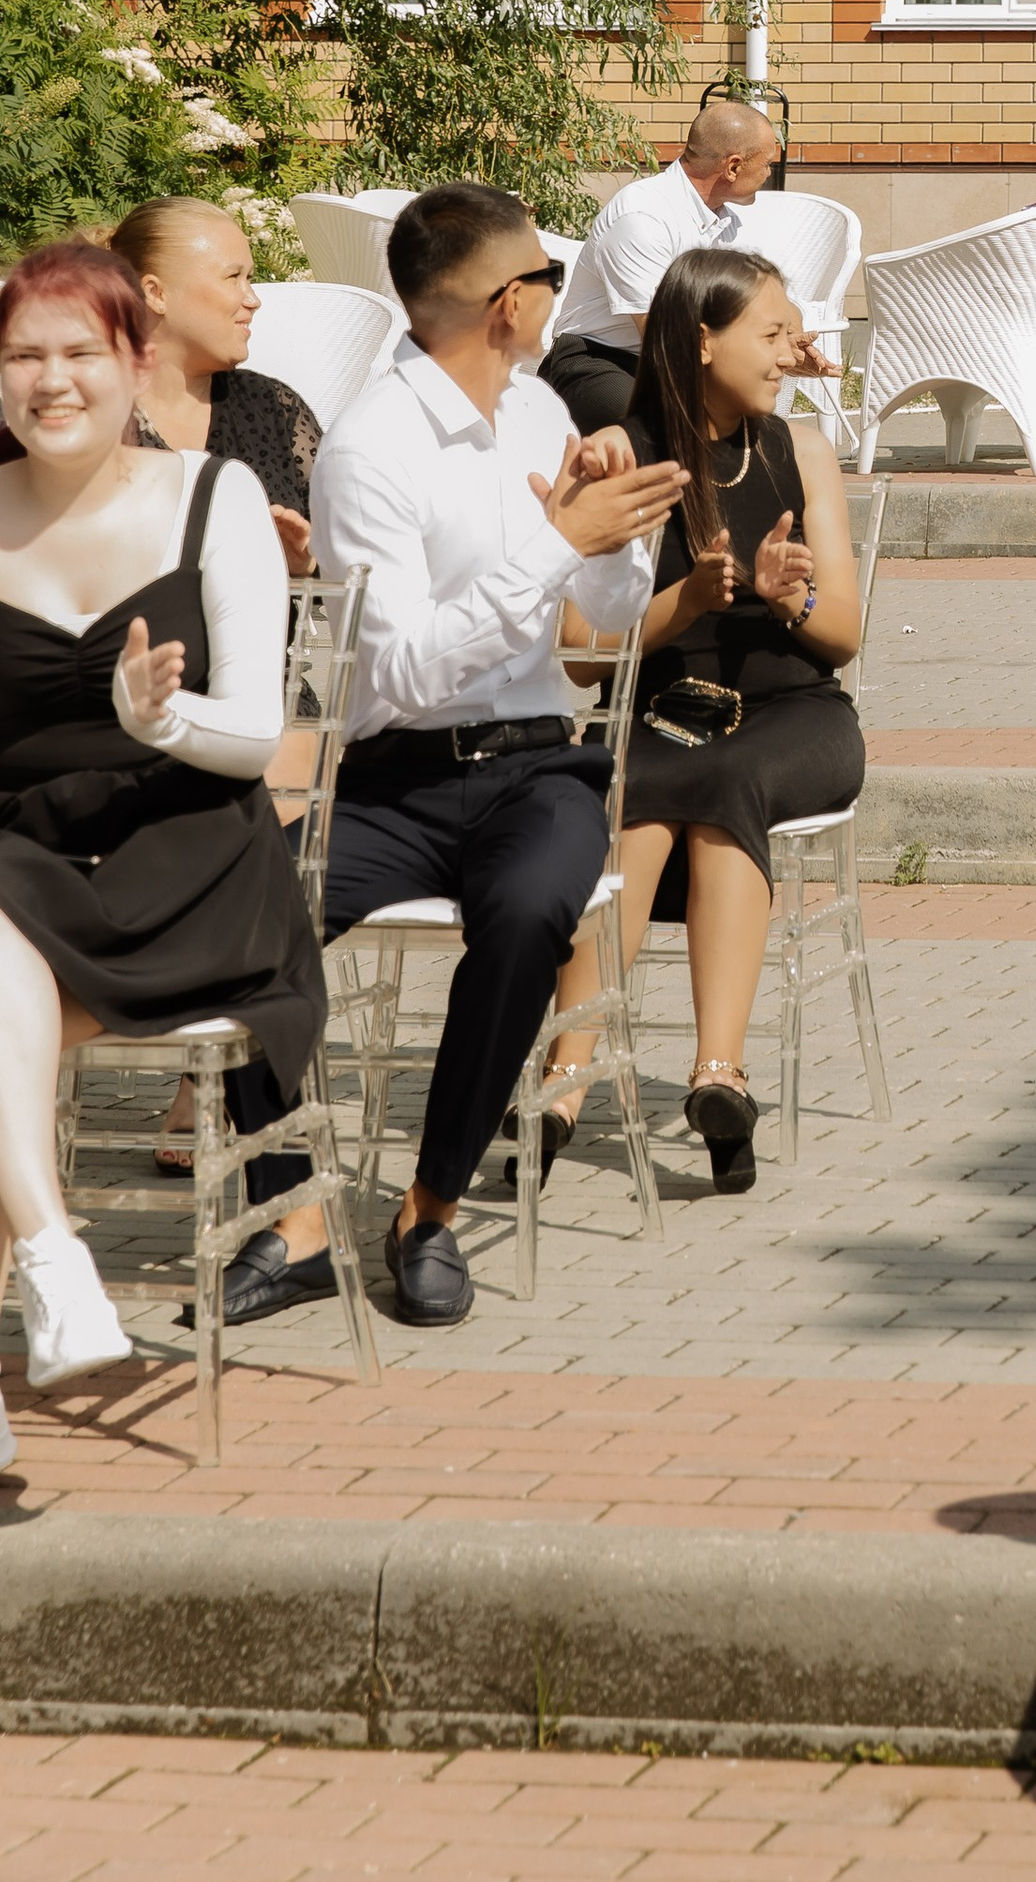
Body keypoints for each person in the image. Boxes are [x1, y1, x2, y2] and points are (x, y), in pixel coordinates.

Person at [210, 184, 683, 1331]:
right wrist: (552, 543)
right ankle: (297, 1218)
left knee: (527, 913)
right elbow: (406, 672)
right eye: (550, 279)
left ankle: (431, 1207)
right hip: (397, 772)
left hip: (537, 768)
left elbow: (604, 608)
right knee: (236, 924)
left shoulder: (535, 416)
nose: (560, 298)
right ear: (507, 303)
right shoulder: (371, 448)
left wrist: (612, 529)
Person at [0, 240, 323, 1419]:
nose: (52, 381)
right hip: (24, 860)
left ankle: (47, 1259)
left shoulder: (212, 496)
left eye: (81, 351)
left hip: (195, 860)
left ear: (135, 365)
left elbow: (257, 733)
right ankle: (52, 1254)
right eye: (23, 355)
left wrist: (160, 715)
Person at [536, 248, 867, 1197]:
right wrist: (689, 601)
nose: (786, 352)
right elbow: (585, 657)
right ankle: (566, 1080)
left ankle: (719, 1076)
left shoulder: (800, 449)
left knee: (723, 782)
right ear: (701, 339)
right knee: (630, 785)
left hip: (794, 712)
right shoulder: (622, 455)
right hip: (661, 707)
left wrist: (783, 599)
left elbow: (841, 637)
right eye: (769, 333)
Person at [543, 98, 810, 434]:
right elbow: (663, 335)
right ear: (733, 167)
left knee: (769, 435)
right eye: (767, 163)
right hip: (597, 362)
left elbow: (762, 295)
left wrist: (789, 336)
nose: (769, 173)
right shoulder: (642, 217)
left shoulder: (724, 220)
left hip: (677, 361)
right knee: (686, 426)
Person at [112, 198, 319, 566]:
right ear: (155, 293)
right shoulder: (87, 415)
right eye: (232, 277)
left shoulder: (274, 409)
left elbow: (352, 564)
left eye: (249, 278)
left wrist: (304, 568)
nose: (253, 299)